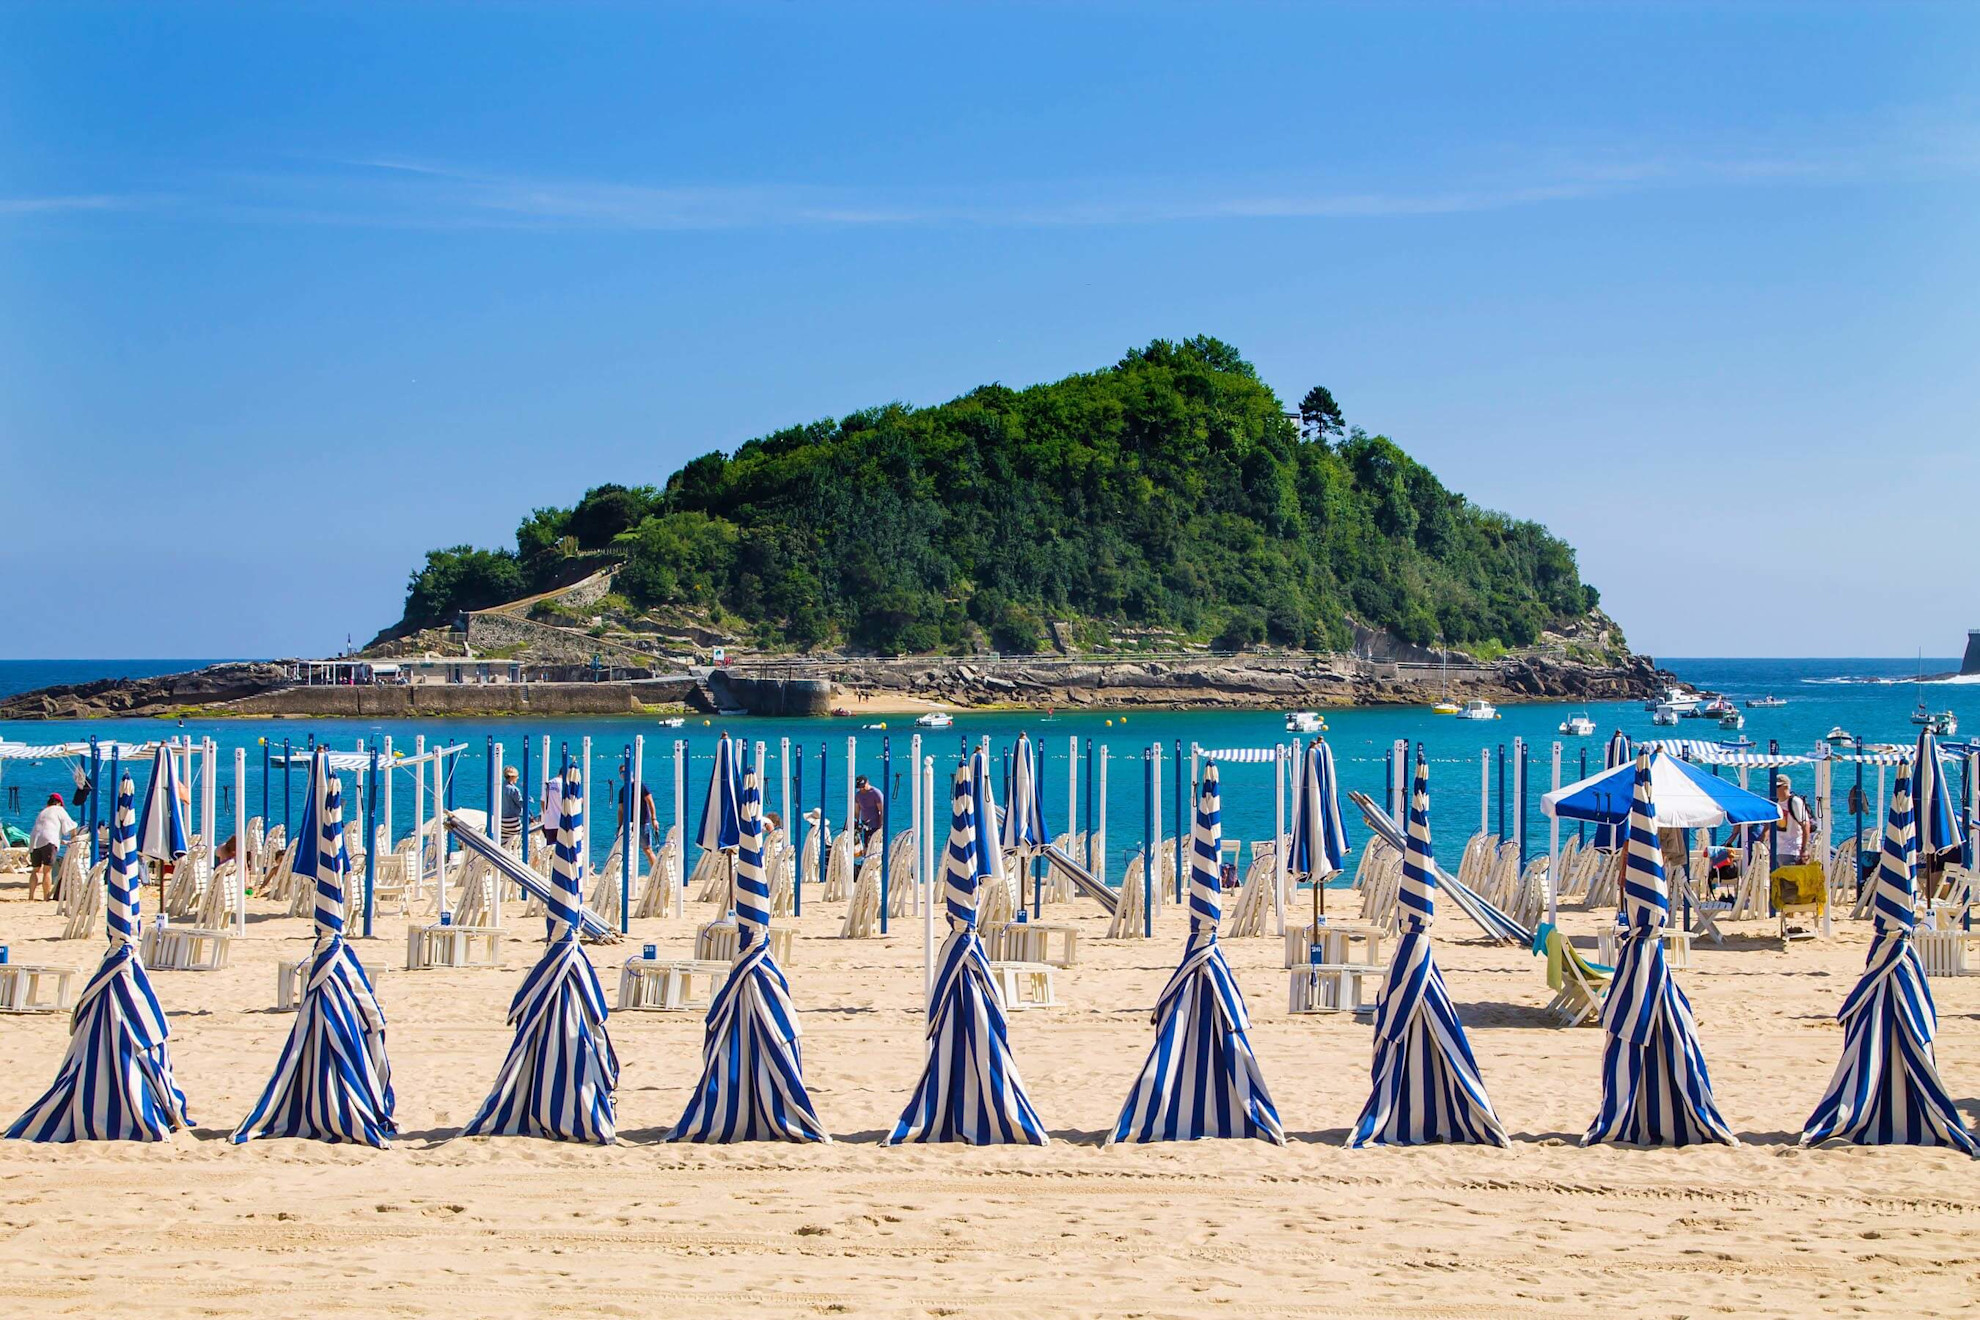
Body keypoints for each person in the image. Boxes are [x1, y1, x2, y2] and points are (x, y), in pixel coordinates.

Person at [27, 793, 78, 903]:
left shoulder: (43, 811)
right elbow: (72, 825)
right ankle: (46, 897)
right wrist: (74, 838)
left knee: (35, 870)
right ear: (59, 803)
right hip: (48, 840)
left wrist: (61, 841)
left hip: (34, 840)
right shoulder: (59, 810)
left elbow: (44, 829)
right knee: (47, 870)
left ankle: (31, 896)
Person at [1773, 773, 1812, 866]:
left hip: (1792, 850)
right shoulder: (1775, 802)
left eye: (1777, 787)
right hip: (1777, 850)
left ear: (1786, 787)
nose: (1773, 789)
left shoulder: (1795, 802)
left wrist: (1804, 849)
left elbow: (1805, 825)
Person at [854, 774, 884, 853]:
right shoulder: (858, 795)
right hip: (864, 825)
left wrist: (880, 827)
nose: (862, 789)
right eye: (860, 787)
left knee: (875, 847)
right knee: (865, 846)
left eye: (863, 787)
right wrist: (856, 823)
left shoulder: (876, 793)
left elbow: (882, 811)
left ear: (867, 783)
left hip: (875, 825)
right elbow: (857, 810)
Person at [500, 766, 524, 847]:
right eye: (517, 776)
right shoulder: (514, 789)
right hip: (513, 822)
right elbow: (520, 803)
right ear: (512, 777)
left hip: (502, 821)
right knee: (517, 842)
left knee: (504, 842)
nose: (518, 778)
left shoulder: (499, 787)